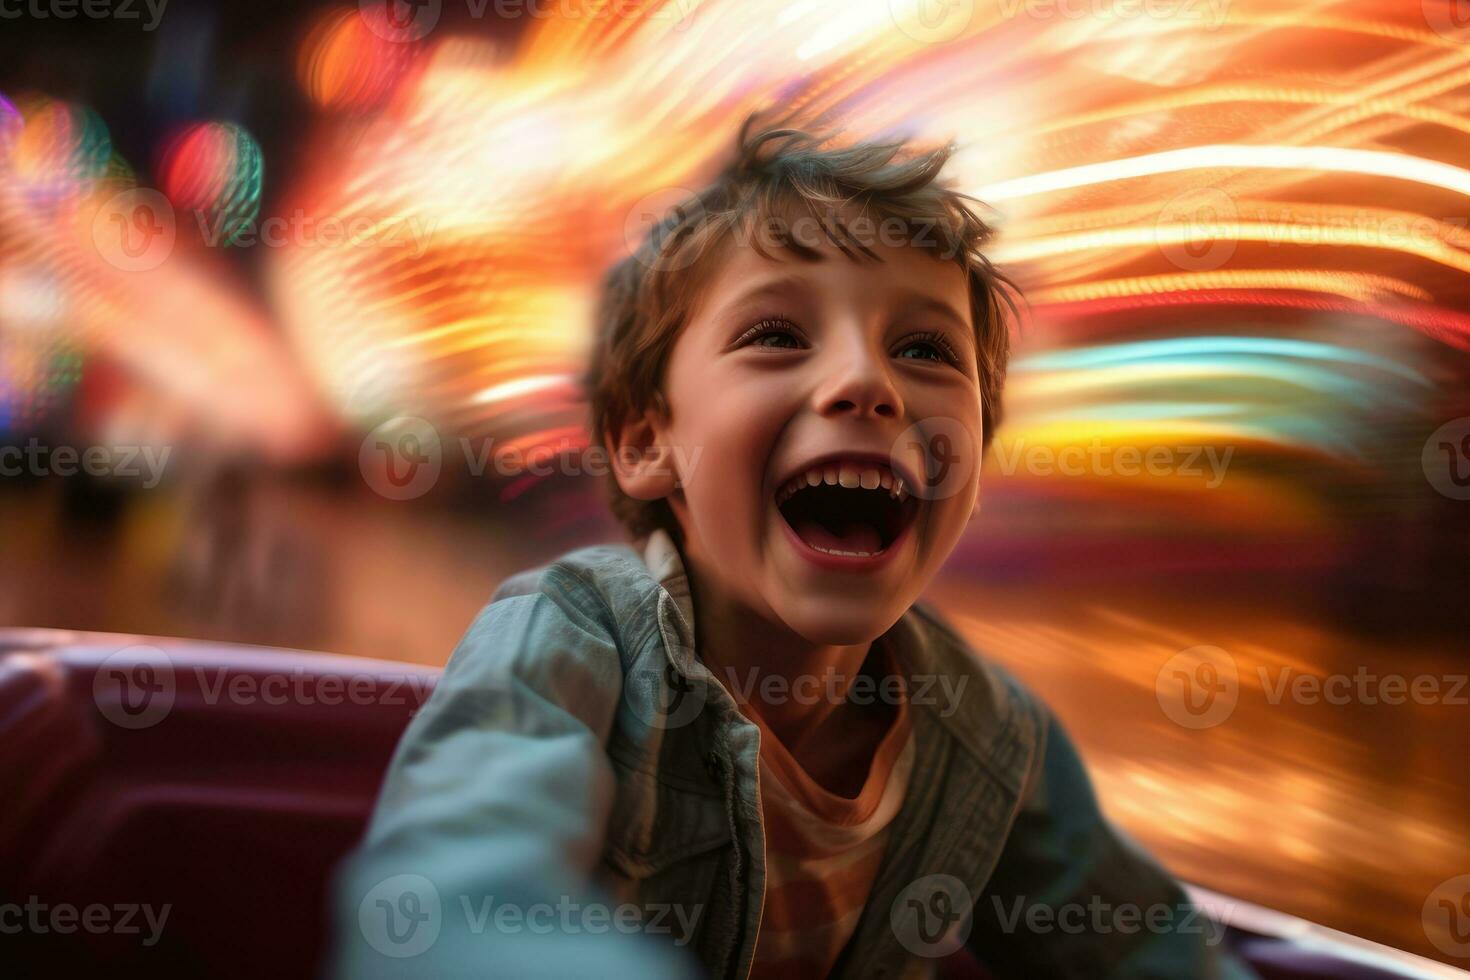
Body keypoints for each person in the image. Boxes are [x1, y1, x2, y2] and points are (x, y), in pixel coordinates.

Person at [329, 114, 1254, 979]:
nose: (865, 381)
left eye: (927, 350)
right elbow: (447, 909)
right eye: (777, 335)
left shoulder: (987, 734)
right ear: (648, 442)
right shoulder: (572, 637)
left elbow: (1156, 956)